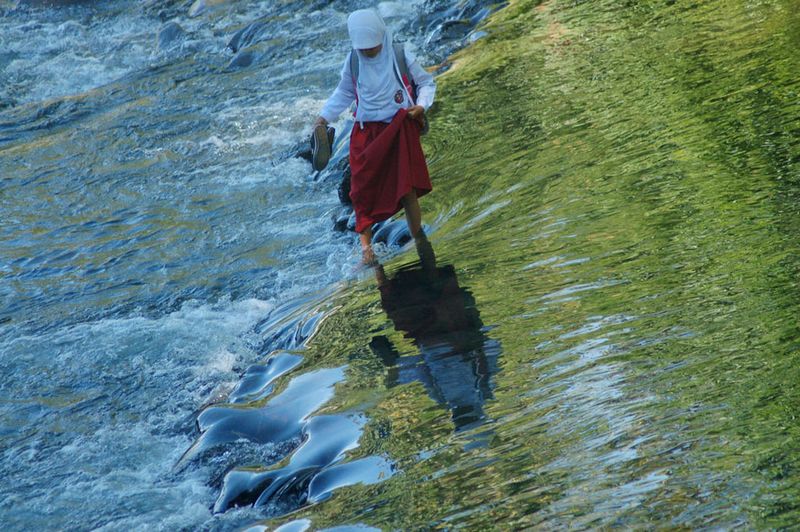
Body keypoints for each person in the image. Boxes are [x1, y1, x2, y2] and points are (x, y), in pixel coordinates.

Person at [313, 8, 436, 263]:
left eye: (373, 46)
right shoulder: (354, 61)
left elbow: (426, 83)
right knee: (362, 190)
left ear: (382, 35)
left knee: (406, 187)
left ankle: (418, 235)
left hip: (399, 128)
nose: (369, 51)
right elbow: (344, 92)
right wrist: (324, 117)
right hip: (365, 133)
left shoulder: (400, 54)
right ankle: (366, 250)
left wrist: (421, 105)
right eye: (363, 48)